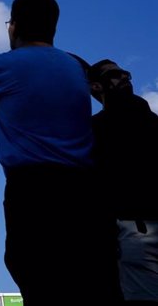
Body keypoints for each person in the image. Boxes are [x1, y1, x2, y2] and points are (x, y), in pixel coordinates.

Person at [0, 0, 122, 305]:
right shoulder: (76, 65)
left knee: (40, 280)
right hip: (87, 192)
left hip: (33, 191)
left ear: (12, 27)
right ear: (53, 27)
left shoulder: (2, 66)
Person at [88, 59, 158, 305]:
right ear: (96, 86)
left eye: (124, 74)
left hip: (136, 231)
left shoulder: (96, 129)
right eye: (115, 75)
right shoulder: (150, 120)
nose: (124, 79)